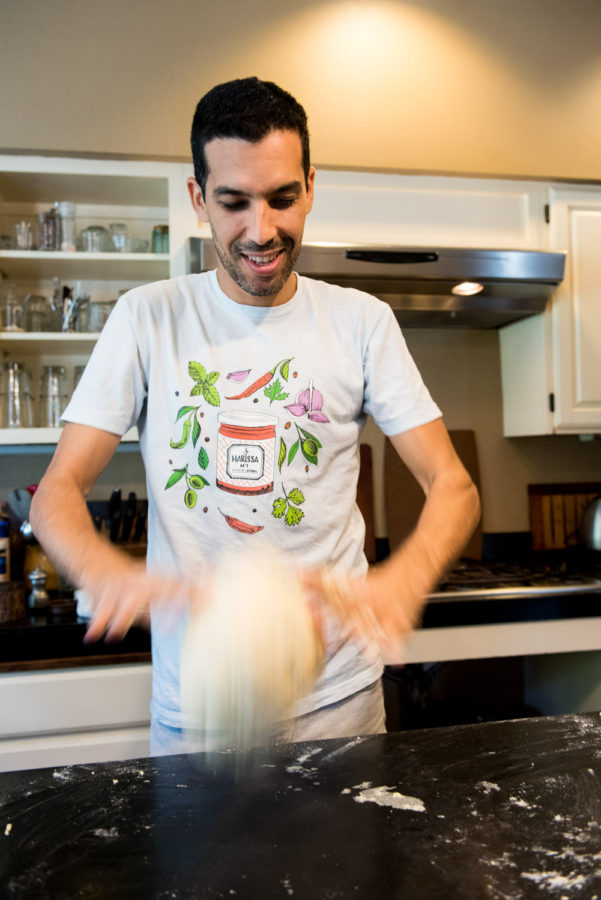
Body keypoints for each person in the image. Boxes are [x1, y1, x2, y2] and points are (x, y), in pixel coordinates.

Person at [30, 77, 480, 755]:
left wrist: (402, 579)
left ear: (309, 186)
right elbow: (57, 493)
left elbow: (453, 486)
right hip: (195, 711)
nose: (261, 231)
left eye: (282, 199)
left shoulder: (361, 323)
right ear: (197, 198)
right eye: (233, 203)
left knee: (343, 866)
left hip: (338, 705)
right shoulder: (148, 318)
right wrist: (106, 571)